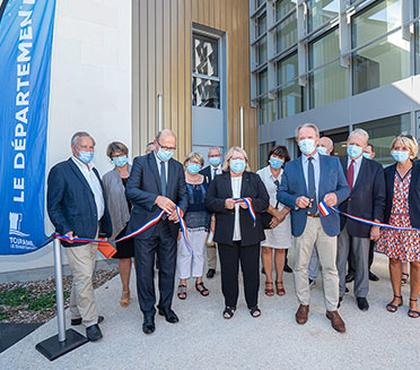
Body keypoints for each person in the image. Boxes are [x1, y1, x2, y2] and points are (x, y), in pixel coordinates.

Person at [278, 123, 350, 333]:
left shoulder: (332, 162)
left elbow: (345, 188)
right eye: (302, 138)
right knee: (300, 266)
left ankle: (332, 309)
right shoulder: (291, 167)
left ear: (317, 139)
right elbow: (282, 193)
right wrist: (294, 200)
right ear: (298, 142)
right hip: (303, 221)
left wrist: (336, 196)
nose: (306, 141)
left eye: (309, 137)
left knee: (330, 268)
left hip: (327, 221)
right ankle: (304, 304)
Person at [47, 132, 112, 342]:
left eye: (92, 147)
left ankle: (76, 313)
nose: (89, 151)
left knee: (84, 274)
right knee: (84, 277)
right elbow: (54, 205)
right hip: (75, 235)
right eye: (85, 147)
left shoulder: (92, 170)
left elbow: (98, 200)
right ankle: (90, 322)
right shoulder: (61, 171)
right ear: (74, 148)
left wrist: (104, 228)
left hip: (93, 232)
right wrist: (64, 228)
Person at [126, 129, 188, 334]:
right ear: (156, 143)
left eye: (172, 148)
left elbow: (183, 195)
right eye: (165, 147)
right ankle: (148, 313)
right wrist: (156, 199)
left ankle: (165, 306)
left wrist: (179, 211)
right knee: (144, 272)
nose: (168, 151)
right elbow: (131, 191)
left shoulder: (178, 167)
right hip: (145, 227)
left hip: (168, 228)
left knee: (169, 269)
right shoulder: (141, 163)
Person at [206, 147, 269, 319]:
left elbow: (264, 202)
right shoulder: (219, 180)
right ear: (228, 161)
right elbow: (209, 202)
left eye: (241, 158)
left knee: (251, 271)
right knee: (228, 271)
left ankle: (252, 304)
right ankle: (230, 304)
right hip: (226, 234)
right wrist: (223, 204)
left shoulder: (254, 179)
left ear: (246, 161)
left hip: (250, 234)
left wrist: (251, 203)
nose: (238, 161)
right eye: (234, 158)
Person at [336, 129, 385, 312]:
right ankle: (339, 291)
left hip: (363, 221)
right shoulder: (337, 164)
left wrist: (376, 223)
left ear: (365, 147)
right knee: (339, 259)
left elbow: (380, 198)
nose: (353, 147)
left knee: (362, 260)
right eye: (351, 143)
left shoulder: (375, 168)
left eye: (358, 144)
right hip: (340, 219)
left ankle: (361, 294)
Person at [376, 134, 420, 318]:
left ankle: (414, 301)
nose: (399, 152)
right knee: (394, 260)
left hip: (414, 224)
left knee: (416, 263)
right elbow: (381, 199)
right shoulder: (386, 173)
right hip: (392, 224)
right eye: (396, 148)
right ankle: (397, 297)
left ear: (412, 152)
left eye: (404, 148)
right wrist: (377, 222)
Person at [256, 146, 292, 297]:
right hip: (266, 215)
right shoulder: (260, 174)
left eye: (280, 157)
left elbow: (293, 195)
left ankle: (280, 280)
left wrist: (281, 215)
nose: (276, 160)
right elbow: (258, 197)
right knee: (266, 249)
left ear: (284, 161)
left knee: (280, 249)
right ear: (269, 157)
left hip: (284, 217)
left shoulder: (289, 175)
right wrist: (274, 213)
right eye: (274, 156)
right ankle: (269, 280)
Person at [102, 142, 134, 308]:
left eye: (121, 154)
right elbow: (104, 205)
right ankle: (125, 290)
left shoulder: (138, 171)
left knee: (144, 259)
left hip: (140, 223)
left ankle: (145, 290)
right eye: (115, 156)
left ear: (126, 154)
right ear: (111, 158)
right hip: (120, 225)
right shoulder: (107, 178)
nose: (119, 158)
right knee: (124, 259)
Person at [176, 152, 211, 300]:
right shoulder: (179, 179)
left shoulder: (206, 179)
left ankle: (199, 281)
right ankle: (183, 282)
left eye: (198, 163)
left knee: (199, 252)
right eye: (192, 162)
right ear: (186, 163)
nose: (194, 165)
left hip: (202, 222)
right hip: (184, 222)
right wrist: (178, 224)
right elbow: (176, 202)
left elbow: (209, 201)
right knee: (184, 253)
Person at [309, 136, 334, 286]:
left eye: (323, 145)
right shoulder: (310, 163)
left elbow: (343, 188)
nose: (319, 147)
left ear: (330, 149)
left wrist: (335, 197)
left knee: (330, 256)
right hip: (311, 216)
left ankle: (330, 283)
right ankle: (311, 276)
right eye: (317, 144)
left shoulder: (335, 164)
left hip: (330, 217)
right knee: (312, 252)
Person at [200, 147, 224, 279]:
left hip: (224, 210)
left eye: (216, 155)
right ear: (208, 157)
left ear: (221, 156)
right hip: (208, 211)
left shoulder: (227, 171)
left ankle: (225, 264)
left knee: (224, 240)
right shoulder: (203, 173)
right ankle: (211, 267)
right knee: (210, 242)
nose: (214, 157)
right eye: (211, 155)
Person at [362, 143, 381, 282]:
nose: (364, 154)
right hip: (353, 215)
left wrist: (377, 220)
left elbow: (379, 196)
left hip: (369, 215)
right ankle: (352, 270)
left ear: (373, 154)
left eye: (367, 152)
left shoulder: (376, 169)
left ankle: (367, 269)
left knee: (369, 247)